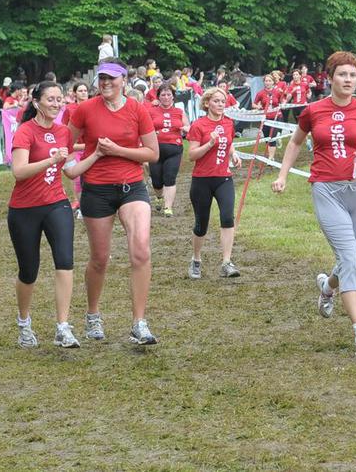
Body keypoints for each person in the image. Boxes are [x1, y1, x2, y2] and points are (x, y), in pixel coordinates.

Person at [272, 51, 356, 357]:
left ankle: (327, 287)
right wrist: (282, 175)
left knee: (355, 261)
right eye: (342, 75)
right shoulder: (314, 110)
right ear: (330, 78)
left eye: (353, 75)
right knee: (349, 257)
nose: (348, 80)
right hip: (326, 189)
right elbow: (295, 142)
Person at [67, 58, 161, 345]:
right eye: (102, 78)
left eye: (112, 78)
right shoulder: (85, 109)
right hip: (97, 190)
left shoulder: (137, 109)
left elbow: (152, 153)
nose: (106, 83)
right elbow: (65, 144)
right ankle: (93, 314)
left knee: (141, 251)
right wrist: (73, 166)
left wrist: (118, 150)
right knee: (100, 258)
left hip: (132, 187)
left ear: (124, 81)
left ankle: (139, 323)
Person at [8, 82, 103, 349]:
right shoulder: (25, 131)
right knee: (29, 271)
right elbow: (18, 171)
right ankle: (24, 322)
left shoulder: (63, 132)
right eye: (50, 99)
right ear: (36, 102)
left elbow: (70, 171)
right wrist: (51, 161)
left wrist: (96, 155)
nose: (56, 104)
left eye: (60, 99)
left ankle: (63, 326)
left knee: (65, 261)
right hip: (24, 209)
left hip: (56, 204)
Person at [187, 87, 242, 279]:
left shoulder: (228, 123)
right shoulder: (198, 125)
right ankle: (196, 260)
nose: (220, 104)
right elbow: (192, 155)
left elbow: (229, 142)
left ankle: (226, 262)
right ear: (207, 103)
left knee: (227, 218)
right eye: (216, 101)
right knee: (201, 224)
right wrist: (209, 144)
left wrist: (234, 154)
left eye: (222, 101)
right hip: (202, 180)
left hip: (223, 178)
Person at [147, 82, 189, 218]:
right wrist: (152, 133)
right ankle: (159, 197)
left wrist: (185, 129)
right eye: (163, 95)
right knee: (156, 181)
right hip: (155, 149)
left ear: (173, 97)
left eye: (168, 95)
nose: (166, 97)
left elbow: (188, 127)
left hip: (174, 149)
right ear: (158, 97)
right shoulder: (151, 111)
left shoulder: (179, 112)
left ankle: (168, 207)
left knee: (170, 178)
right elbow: (145, 128)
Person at [59, 81, 92, 216]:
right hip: (76, 148)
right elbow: (64, 129)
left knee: (92, 178)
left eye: (85, 91)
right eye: (80, 91)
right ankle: (82, 207)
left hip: (91, 148)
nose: (83, 93)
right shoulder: (69, 109)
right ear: (74, 93)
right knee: (78, 178)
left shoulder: (93, 107)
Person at [254, 74, 283, 164]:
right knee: (267, 137)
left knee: (272, 137)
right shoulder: (260, 93)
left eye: (269, 81)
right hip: (265, 118)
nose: (268, 82)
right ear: (264, 82)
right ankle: (270, 155)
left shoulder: (277, 92)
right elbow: (254, 104)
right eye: (266, 81)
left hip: (276, 117)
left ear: (273, 82)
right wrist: (258, 107)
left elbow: (282, 102)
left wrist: (281, 105)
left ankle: (271, 158)